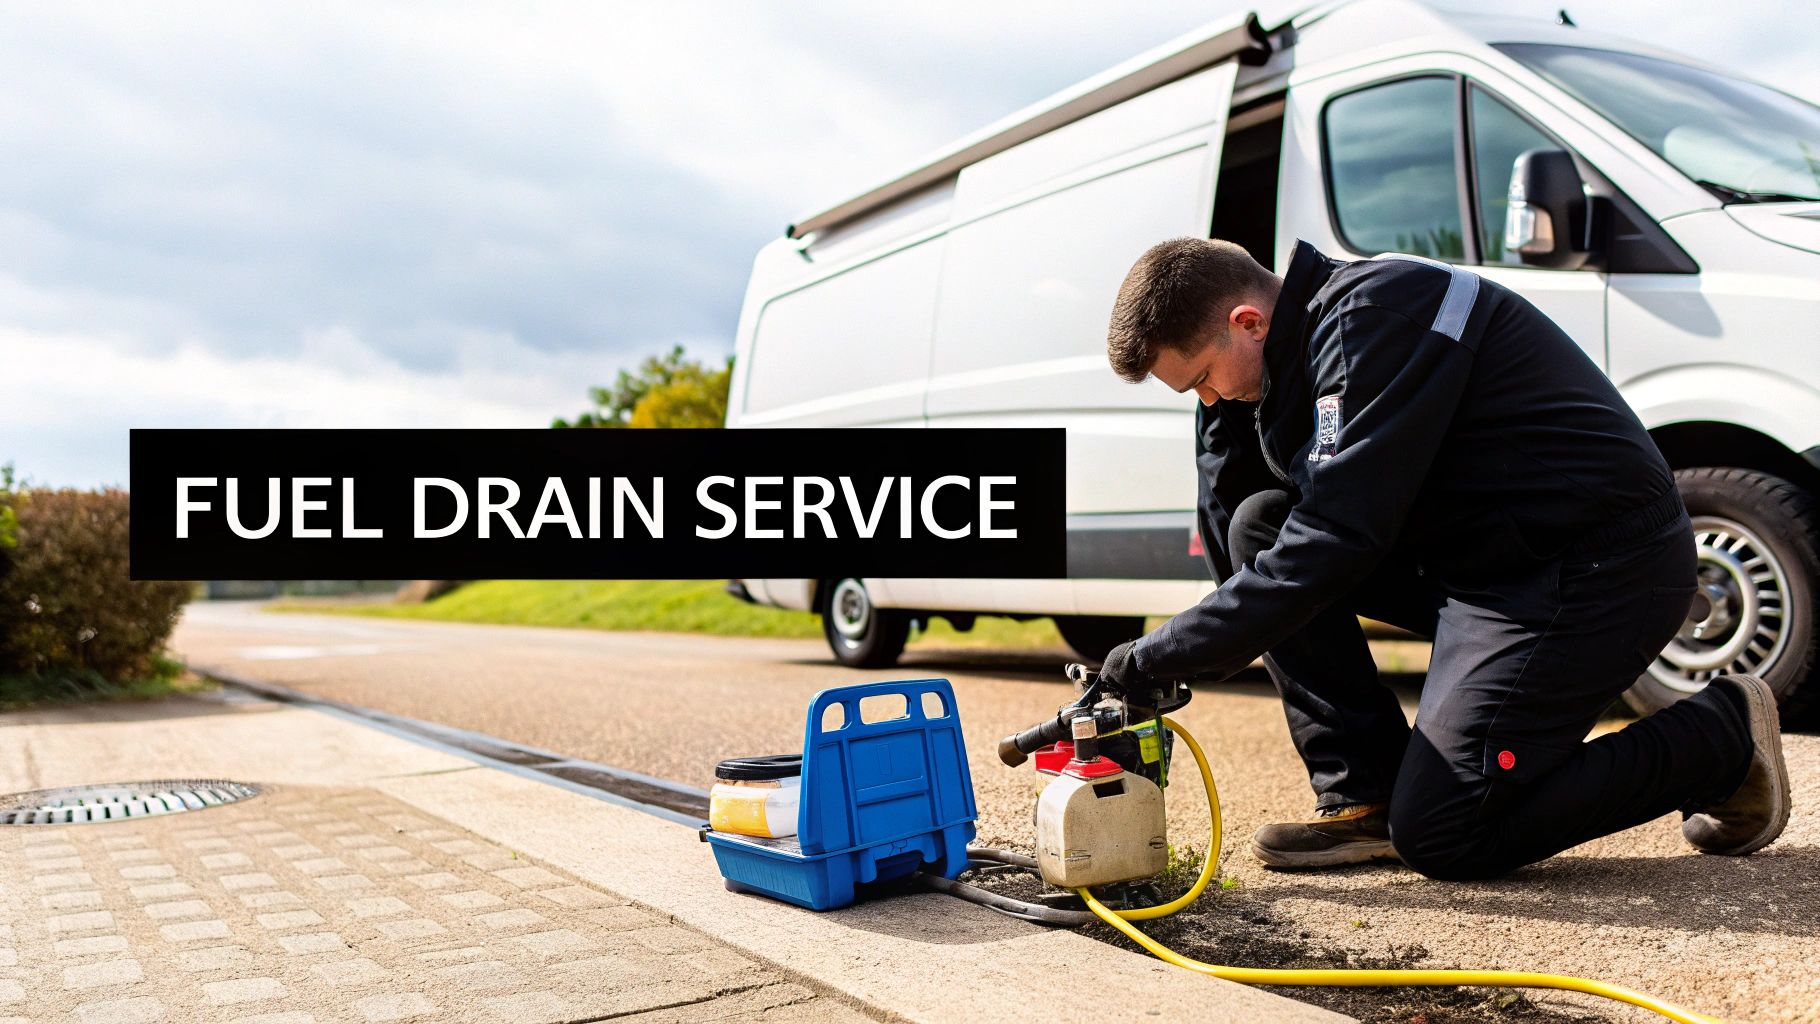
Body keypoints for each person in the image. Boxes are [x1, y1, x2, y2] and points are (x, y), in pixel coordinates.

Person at [1095, 237, 1791, 879]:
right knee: (1262, 527)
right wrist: (1223, 418)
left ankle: (1717, 739)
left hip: (1595, 568)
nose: (1211, 398)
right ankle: (1364, 798)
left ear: (1248, 321)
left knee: (1446, 831)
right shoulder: (1290, 358)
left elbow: (1335, 540)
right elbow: (1243, 535)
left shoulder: (1382, 312)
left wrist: (1156, 653)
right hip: (1490, 570)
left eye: (1205, 381)